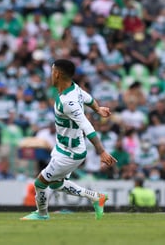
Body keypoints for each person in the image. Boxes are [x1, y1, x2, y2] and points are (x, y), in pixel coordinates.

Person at [20, 59, 117, 221]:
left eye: (52, 72)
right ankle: (96, 197)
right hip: (62, 146)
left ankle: (42, 214)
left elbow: (87, 126)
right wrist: (98, 109)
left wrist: (101, 151)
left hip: (71, 152)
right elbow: (89, 99)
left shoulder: (68, 102)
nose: (50, 75)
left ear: (57, 74)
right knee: (56, 184)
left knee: (40, 183)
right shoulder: (74, 88)